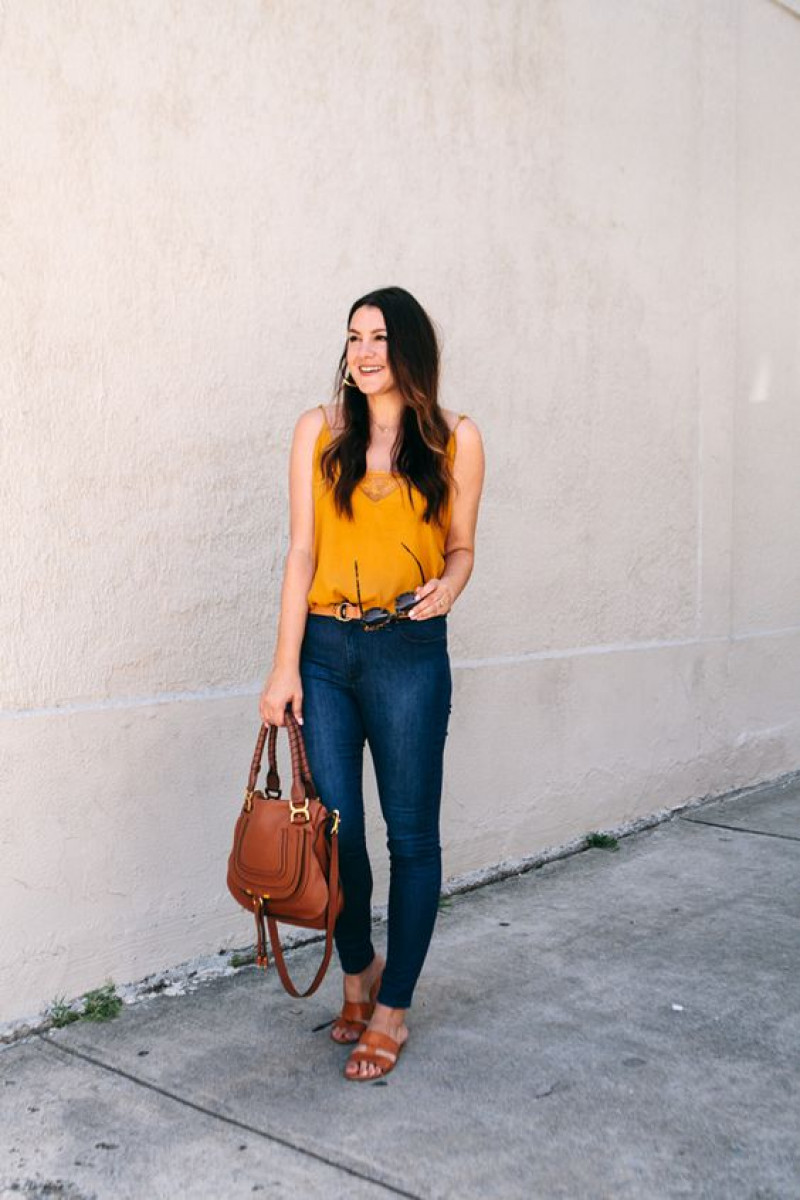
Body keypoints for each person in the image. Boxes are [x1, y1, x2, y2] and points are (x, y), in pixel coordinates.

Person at [259, 286, 485, 1080]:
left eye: (381, 337)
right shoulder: (318, 433)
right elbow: (300, 555)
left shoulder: (457, 439)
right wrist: (283, 665)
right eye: (354, 336)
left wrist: (451, 587)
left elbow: (460, 548)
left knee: (410, 837)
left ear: (411, 349)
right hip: (324, 651)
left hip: (410, 653)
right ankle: (358, 974)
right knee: (335, 830)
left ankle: (393, 1011)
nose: (363, 351)